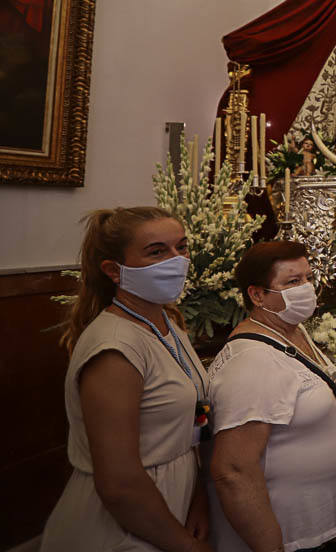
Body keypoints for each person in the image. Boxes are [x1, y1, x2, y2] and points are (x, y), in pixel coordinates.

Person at [42, 207, 213, 552]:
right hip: (124, 526)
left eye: (182, 247)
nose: (177, 260)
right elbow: (119, 482)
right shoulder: (114, 348)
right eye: (157, 251)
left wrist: (198, 494)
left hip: (174, 501)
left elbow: (196, 413)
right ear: (113, 271)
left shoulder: (167, 323)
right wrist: (184, 545)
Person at [207, 241, 336, 552]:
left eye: (309, 278)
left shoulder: (291, 330)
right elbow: (233, 470)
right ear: (257, 295)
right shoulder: (252, 362)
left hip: (314, 521)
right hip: (281, 533)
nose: (307, 288)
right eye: (292, 282)